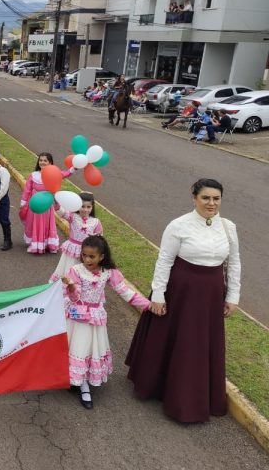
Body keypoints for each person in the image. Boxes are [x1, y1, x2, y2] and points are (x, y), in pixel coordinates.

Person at [126, 179, 241, 423]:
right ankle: (164, 390)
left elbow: (234, 263)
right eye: (206, 198)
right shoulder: (178, 225)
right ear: (194, 198)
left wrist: (232, 295)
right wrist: (158, 294)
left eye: (216, 198)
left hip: (210, 295)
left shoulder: (229, 227)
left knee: (201, 344)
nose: (211, 203)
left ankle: (197, 396)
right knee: (178, 341)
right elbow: (165, 260)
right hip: (180, 292)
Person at [60, 236, 151, 409]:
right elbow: (74, 296)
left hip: (95, 316)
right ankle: (75, 380)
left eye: (92, 257)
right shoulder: (76, 271)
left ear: (102, 256)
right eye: (84, 255)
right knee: (76, 346)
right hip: (77, 316)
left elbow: (124, 291)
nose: (87, 260)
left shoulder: (109, 272)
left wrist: (147, 305)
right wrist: (71, 287)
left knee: (90, 347)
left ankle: (83, 382)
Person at [20, 153, 73, 254]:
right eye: (41, 160)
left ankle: (48, 244)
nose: (42, 162)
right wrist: (23, 202)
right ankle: (35, 244)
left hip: (46, 205)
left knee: (46, 224)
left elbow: (65, 174)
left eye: (45, 160)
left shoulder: (54, 174)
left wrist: (74, 168)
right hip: (34, 204)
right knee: (34, 224)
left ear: (50, 163)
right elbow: (27, 190)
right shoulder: (33, 175)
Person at [51, 193, 103, 282]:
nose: (85, 210)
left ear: (92, 207)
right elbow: (60, 211)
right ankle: (65, 287)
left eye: (88, 207)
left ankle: (79, 288)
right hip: (72, 250)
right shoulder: (72, 216)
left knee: (82, 272)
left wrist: (95, 238)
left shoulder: (95, 222)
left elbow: (100, 237)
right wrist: (56, 201)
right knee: (69, 269)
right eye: (83, 206)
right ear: (77, 205)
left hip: (86, 252)